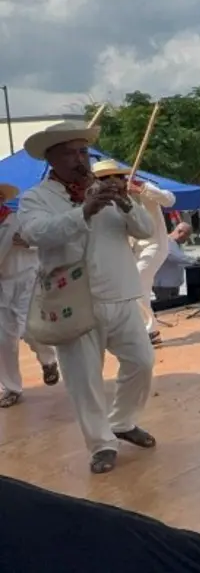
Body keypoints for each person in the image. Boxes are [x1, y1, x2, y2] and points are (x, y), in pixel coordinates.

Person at [18, 121, 157, 474]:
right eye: (71, 153)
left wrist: (125, 202)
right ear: (52, 158)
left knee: (142, 361)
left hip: (121, 294)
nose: (81, 159)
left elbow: (144, 230)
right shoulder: (37, 197)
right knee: (85, 380)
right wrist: (84, 211)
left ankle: (122, 422)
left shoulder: (106, 189)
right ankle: (101, 444)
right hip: (73, 300)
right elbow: (37, 233)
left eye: (84, 152)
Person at [91, 159, 176, 345]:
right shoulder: (105, 200)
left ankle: (149, 330)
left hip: (154, 245)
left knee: (136, 284)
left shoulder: (142, 187)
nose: (105, 184)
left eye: (107, 179)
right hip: (133, 250)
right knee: (139, 288)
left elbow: (170, 199)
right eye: (101, 180)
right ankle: (146, 329)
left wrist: (142, 190)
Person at [0, 182, 60, 408]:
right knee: (3, 339)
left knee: (29, 329)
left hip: (28, 280)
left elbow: (46, 240)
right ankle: (11, 388)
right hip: (3, 285)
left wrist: (28, 242)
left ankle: (48, 360)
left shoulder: (18, 220)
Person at [152, 223, 196, 302]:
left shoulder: (176, 244)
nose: (187, 238)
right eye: (187, 235)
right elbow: (174, 257)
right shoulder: (166, 241)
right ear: (180, 231)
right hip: (164, 285)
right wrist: (194, 261)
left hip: (173, 284)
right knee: (165, 308)